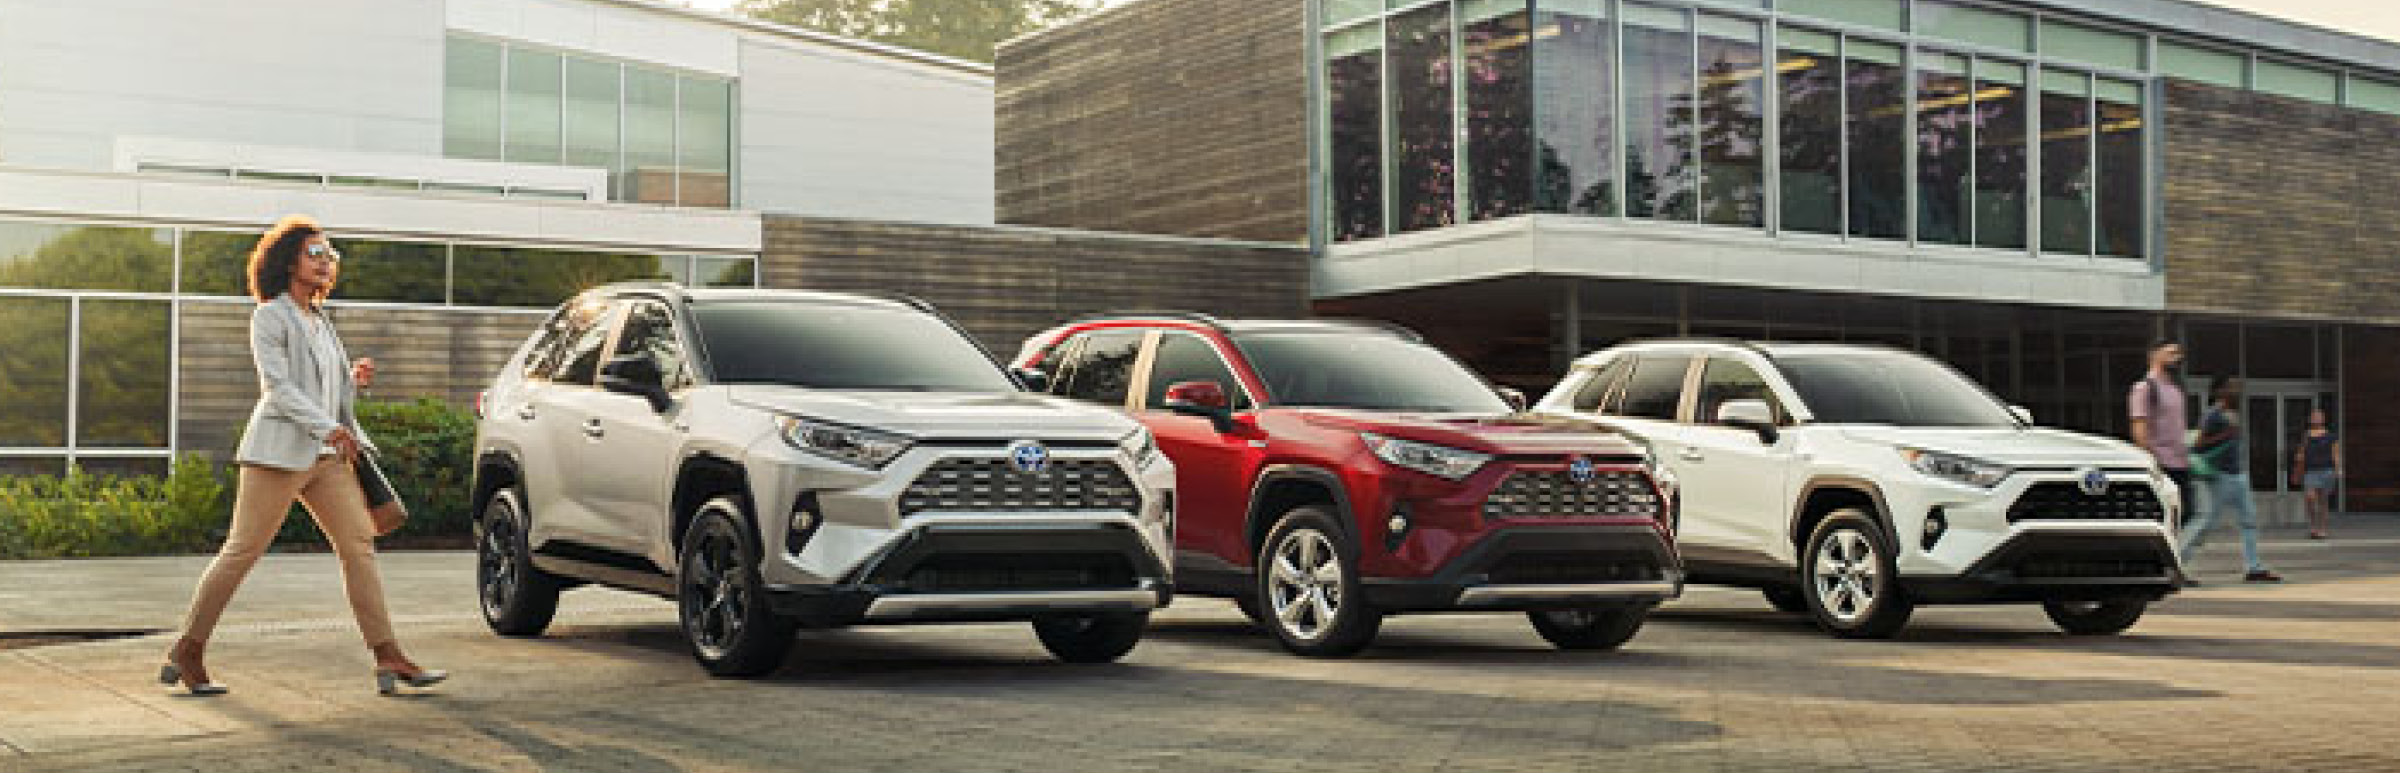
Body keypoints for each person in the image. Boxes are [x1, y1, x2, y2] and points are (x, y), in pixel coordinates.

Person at [160, 215, 447, 696]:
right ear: (288, 259)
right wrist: (329, 427)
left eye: (330, 255)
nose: (325, 262)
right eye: (316, 252)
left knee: (359, 546)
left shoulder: (321, 321)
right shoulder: (270, 315)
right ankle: (188, 649)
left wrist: (351, 383)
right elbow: (279, 389)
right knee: (243, 551)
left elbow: (324, 391)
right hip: (277, 454)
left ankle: (388, 656)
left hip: (326, 458)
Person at [2182, 376, 2281, 583]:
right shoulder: (2212, 415)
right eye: (2232, 387)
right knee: (2206, 523)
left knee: (2249, 521)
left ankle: (2253, 567)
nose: (2237, 390)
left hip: (2239, 476)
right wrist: (2226, 435)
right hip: (2220, 477)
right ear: (2220, 392)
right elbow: (2199, 444)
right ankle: (2179, 564)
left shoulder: (2233, 414)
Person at [2128, 341, 2196, 547]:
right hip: (2161, 465)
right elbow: (2140, 428)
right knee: (2163, 518)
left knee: (2185, 515)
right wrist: (2150, 463)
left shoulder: (2176, 389)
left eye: (2178, 353)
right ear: (2154, 356)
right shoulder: (2145, 388)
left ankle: (2174, 565)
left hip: (2181, 464)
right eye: (2171, 353)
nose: (2177, 358)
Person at [2293, 408, 2342, 539]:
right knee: (2310, 498)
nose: (2316, 419)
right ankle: (2313, 526)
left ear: (2323, 419)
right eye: (2313, 417)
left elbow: (2335, 454)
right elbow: (2301, 452)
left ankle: (2322, 529)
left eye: (2318, 417)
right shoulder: (2306, 435)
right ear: (2310, 419)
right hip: (2311, 471)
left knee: (2323, 501)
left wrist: (2338, 470)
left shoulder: (2331, 436)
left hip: (2327, 470)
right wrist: (2298, 466)